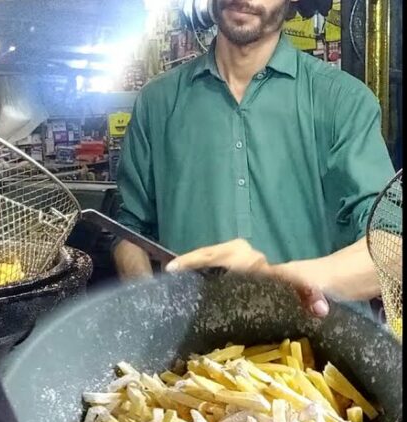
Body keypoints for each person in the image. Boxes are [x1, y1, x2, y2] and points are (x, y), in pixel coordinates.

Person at [114, 0, 394, 316]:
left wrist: (277, 281)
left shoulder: (342, 101)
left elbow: (392, 249)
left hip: (316, 354)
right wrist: (150, 311)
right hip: (191, 355)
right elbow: (130, 231)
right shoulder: (158, 102)